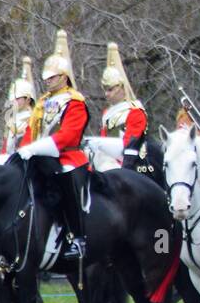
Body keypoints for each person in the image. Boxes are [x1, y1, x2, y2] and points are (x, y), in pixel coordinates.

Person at [16, 31, 90, 259]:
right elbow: (32, 131)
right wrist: (24, 150)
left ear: (64, 77)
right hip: (41, 157)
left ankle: (77, 238)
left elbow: (68, 136)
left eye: (52, 77)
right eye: (46, 77)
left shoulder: (75, 102)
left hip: (67, 157)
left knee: (64, 181)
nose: (47, 81)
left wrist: (35, 148)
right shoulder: (42, 103)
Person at [89, 42, 148, 170]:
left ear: (121, 87)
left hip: (130, 163)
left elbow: (130, 144)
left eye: (110, 89)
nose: (106, 94)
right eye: (105, 89)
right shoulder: (107, 113)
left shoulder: (135, 111)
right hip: (106, 160)